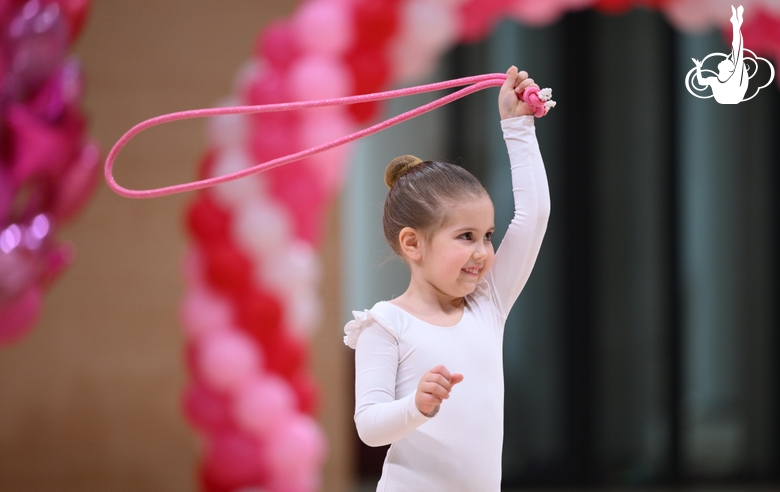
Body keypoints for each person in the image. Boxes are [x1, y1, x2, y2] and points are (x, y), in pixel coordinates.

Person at [343, 65, 551, 492]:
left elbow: (534, 217)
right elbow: (369, 426)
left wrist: (518, 127)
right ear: (413, 244)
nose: (482, 252)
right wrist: (416, 406)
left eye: (488, 236)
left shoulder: (487, 303)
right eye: (466, 237)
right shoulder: (384, 326)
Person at [692, 5, 748, 104]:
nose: (725, 59)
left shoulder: (716, 80)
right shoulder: (732, 78)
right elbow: (737, 47)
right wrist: (736, 24)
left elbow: (701, 81)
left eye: (726, 61)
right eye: (728, 61)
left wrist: (698, 67)